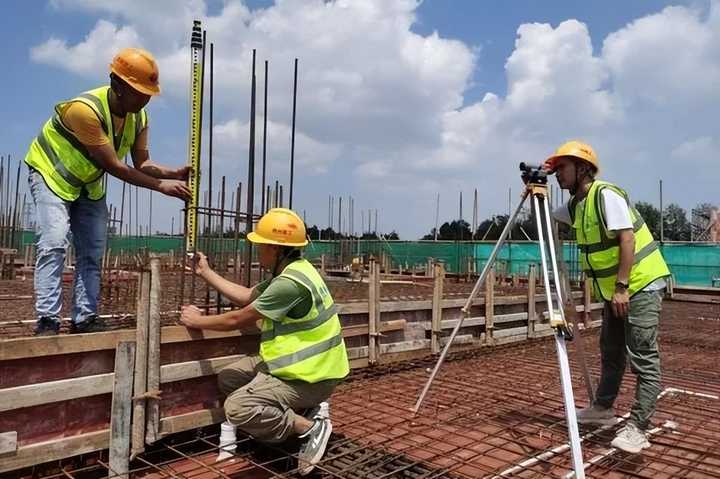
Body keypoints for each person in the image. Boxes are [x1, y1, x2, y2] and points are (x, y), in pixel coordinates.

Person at [25, 48, 191, 335]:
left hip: (87, 184)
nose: (145, 98)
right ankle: (48, 320)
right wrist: (160, 187)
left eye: (148, 92)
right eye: (139, 91)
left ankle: (84, 318)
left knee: (92, 250)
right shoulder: (84, 110)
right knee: (54, 241)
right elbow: (114, 165)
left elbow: (143, 163)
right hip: (51, 174)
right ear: (117, 85)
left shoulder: (140, 117)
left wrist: (171, 173)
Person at [180, 208, 350, 475]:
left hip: (309, 378)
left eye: (260, 245)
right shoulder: (295, 270)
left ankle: (310, 427)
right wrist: (206, 272)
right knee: (229, 378)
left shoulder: (289, 285)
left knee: (236, 407)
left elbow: (238, 319)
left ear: (275, 248)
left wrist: (196, 321)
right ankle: (298, 413)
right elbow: (248, 296)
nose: (257, 249)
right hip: (302, 368)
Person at [544, 140, 671, 454]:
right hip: (619, 290)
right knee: (611, 350)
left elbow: (627, 239)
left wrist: (621, 287)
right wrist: (534, 189)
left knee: (642, 355)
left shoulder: (605, 194)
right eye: (556, 168)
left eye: (563, 167)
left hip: (638, 285)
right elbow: (548, 213)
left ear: (583, 168)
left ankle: (639, 428)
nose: (558, 174)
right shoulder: (577, 204)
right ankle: (602, 408)